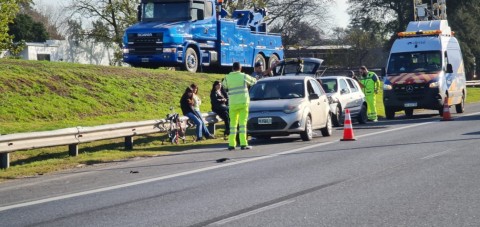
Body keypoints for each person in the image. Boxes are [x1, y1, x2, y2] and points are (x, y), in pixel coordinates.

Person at [223, 62, 257, 150]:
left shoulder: (227, 77)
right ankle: (243, 144)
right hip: (243, 103)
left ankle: (231, 144)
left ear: (232, 68)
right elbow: (254, 81)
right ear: (240, 68)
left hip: (233, 104)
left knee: (233, 125)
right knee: (242, 124)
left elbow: (224, 86)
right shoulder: (243, 76)